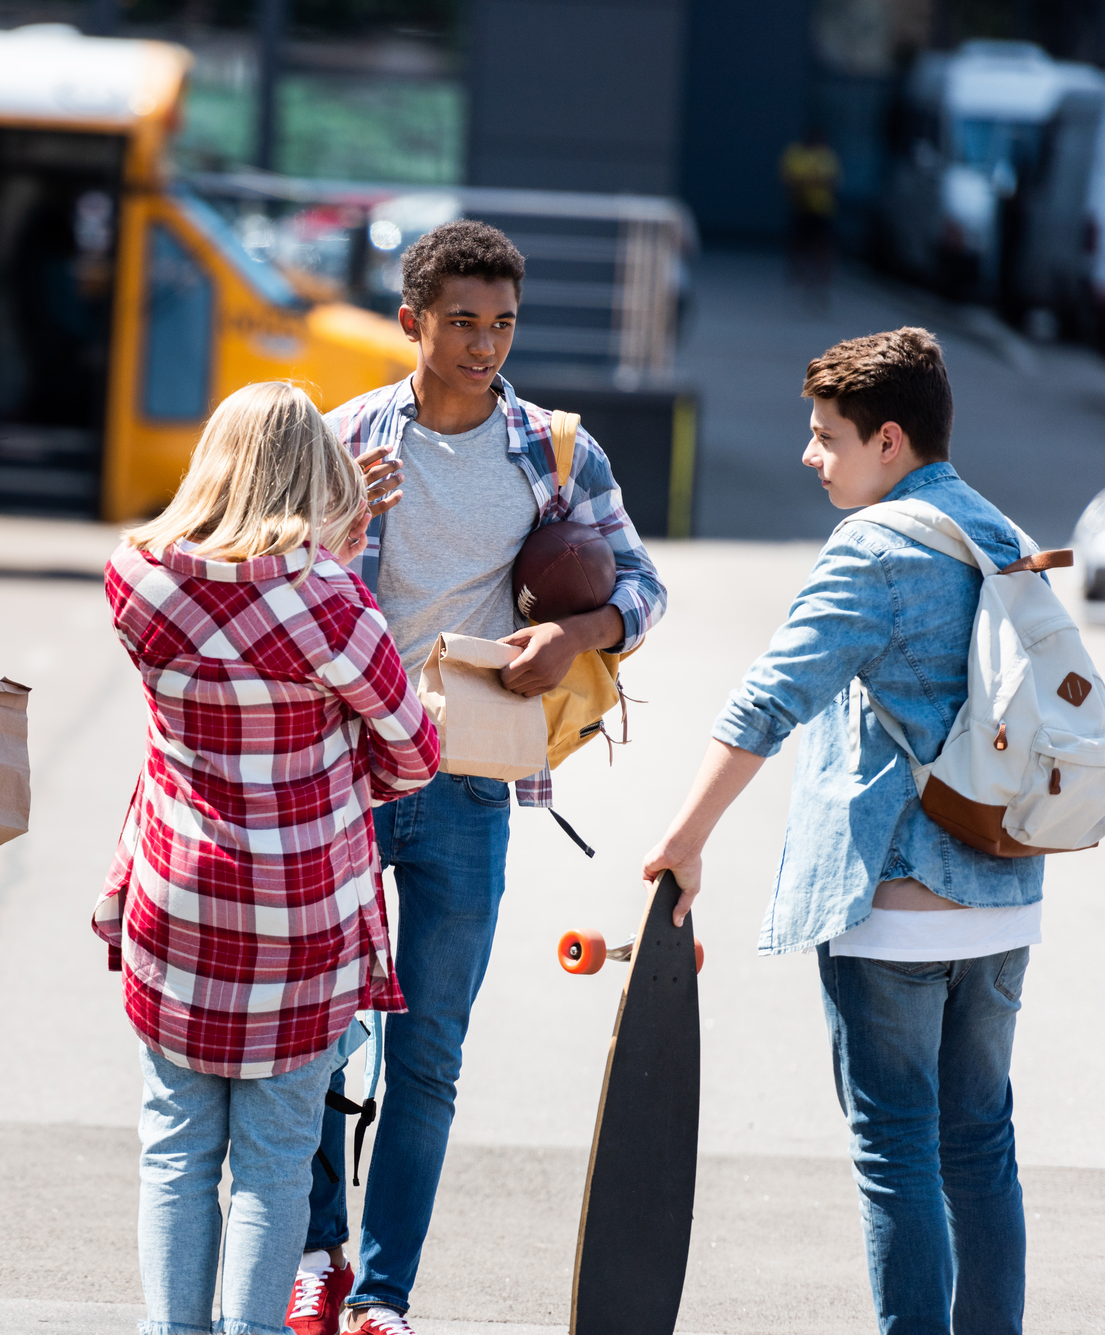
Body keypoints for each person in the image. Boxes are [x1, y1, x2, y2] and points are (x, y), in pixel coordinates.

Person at [291, 220, 668, 1335]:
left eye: (500, 324)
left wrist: (577, 632)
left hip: (466, 784)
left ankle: (384, 1295)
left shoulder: (552, 452)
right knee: (315, 1030)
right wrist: (331, 521)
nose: (482, 345)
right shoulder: (338, 438)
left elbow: (645, 590)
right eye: (460, 322)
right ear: (410, 321)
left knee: (431, 1050)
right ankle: (319, 1251)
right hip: (341, 776)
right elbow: (255, 585)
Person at [642, 327, 1039, 1335]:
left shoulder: (873, 547)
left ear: (889, 442)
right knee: (978, 1144)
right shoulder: (997, 533)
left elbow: (762, 704)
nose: (808, 456)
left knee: (895, 1148)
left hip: (894, 904)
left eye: (826, 437)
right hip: (999, 900)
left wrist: (684, 840)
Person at [94, 381, 442, 1335]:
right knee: (277, 1155)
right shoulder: (330, 600)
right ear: (316, 472)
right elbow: (415, 753)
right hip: (301, 907)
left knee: (174, 1145)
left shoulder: (135, 576)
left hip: (177, 891)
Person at [782, 128, 841, 303]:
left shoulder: (827, 156)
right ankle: (798, 279)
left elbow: (831, 181)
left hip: (822, 209)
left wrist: (808, 182)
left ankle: (822, 284)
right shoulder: (795, 154)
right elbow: (790, 180)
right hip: (800, 208)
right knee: (799, 245)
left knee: (823, 247)